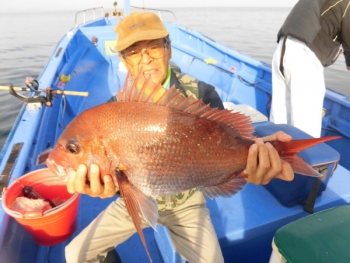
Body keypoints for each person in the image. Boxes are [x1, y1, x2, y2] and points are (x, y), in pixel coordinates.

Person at [64, 11, 295, 263]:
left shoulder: (201, 93)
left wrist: (254, 160)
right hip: (137, 200)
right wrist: (107, 188)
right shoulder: (113, 111)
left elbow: (231, 143)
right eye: (133, 52)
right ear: (123, 60)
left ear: (169, 49)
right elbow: (121, 178)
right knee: (75, 255)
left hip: (187, 203)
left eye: (153, 47)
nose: (145, 59)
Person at [269, 0, 350, 138]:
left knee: (279, 119)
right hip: (304, 57)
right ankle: (304, 158)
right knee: (306, 128)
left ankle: (273, 155)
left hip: (282, 51)